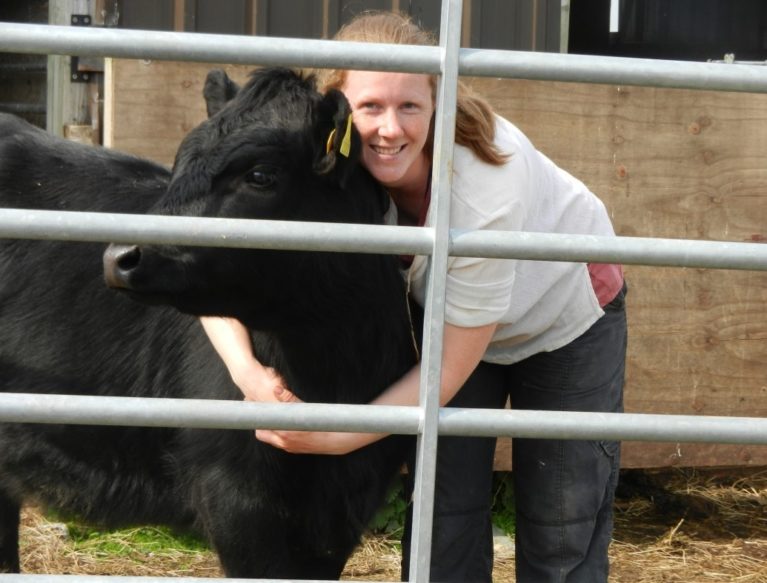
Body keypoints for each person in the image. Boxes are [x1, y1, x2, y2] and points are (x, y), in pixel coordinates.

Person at [200, 10, 627, 583]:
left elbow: (447, 369)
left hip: (561, 317)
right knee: (442, 516)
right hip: (447, 318)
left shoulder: (485, 189)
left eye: (410, 107)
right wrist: (246, 370)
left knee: (560, 519)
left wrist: (334, 434)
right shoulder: (325, 168)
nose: (390, 129)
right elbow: (217, 259)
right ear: (336, 110)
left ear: (438, 103)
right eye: (370, 106)